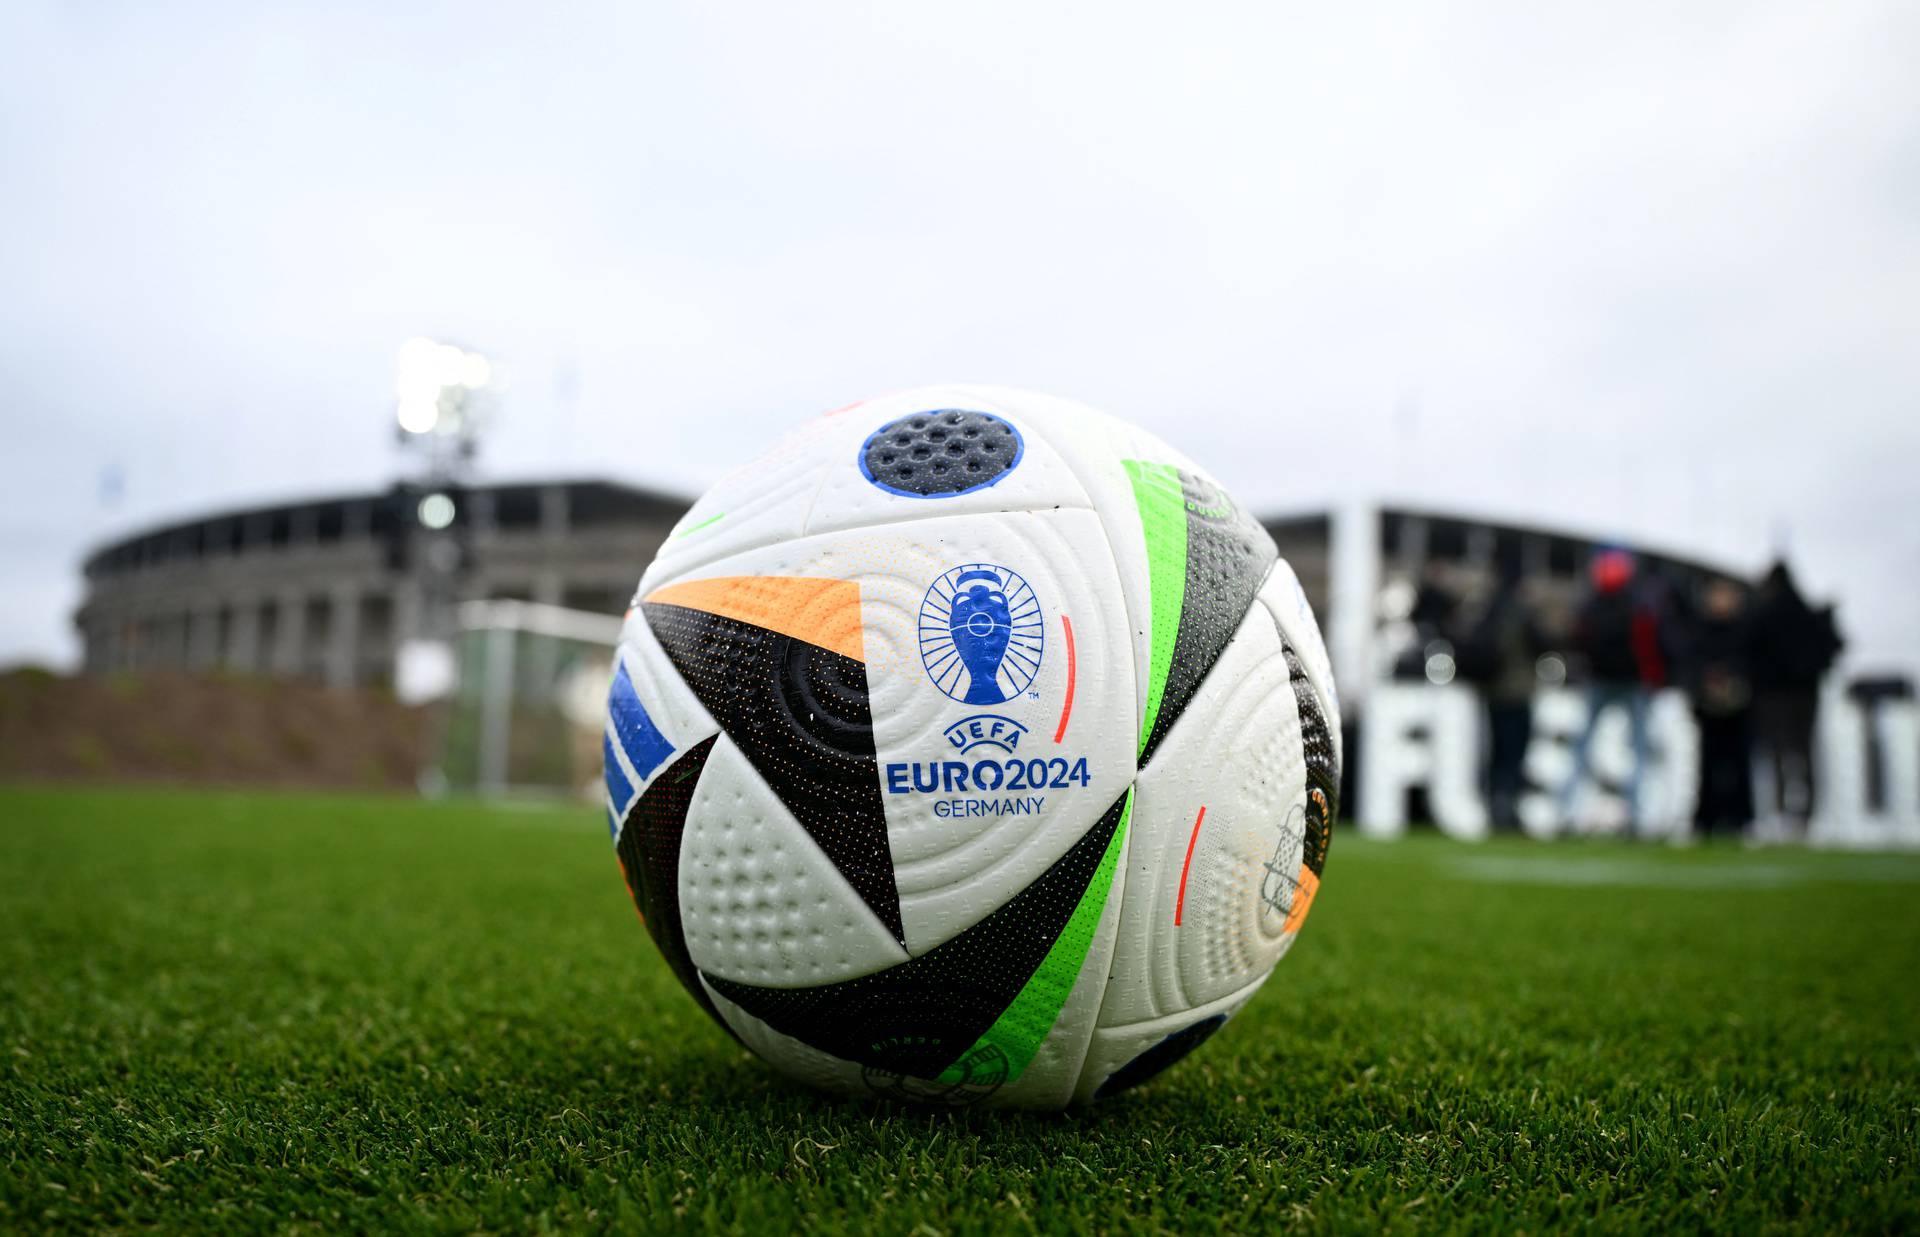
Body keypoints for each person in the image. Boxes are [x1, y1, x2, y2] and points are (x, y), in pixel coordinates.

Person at [1557, 549, 1668, 833]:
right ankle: (1638, 818)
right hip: (1624, 683)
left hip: (1610, 682)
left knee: (1585, 750)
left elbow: (1578, 642)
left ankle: (1570, 813)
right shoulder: (1634, 606)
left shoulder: (1594, 607)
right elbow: (1649, 648)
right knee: (1637, 752)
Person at [1746, 561, 1843, 837]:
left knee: (1777, 752)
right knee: (1804, 752)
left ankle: (1779, 810)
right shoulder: (1806, 612)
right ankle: (1806, 813)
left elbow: (1749, 649)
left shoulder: (1764, 613)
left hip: (1772, 694)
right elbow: (1833, 646)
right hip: (1804, 693)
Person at [1457, 565, 1544, 831]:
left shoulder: (1490, 609)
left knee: (1496, 750)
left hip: (1493, 692)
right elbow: (1541, 643)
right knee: (1514, 752)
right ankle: (1506, 807)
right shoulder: (1520, 611)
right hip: (1516, 692)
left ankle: (1497, 804)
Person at [1684, 577, 1755, 837]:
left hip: (1739, 707)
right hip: (1708, 708)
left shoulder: (1744, 629)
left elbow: (1753, 663)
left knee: (1739, 764)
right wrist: (1705, 687)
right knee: (1708, 763)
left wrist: (1735, 683)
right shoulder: (1700, 629)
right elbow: (1690, 663)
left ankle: (1740, 818)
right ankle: (1706, 819)